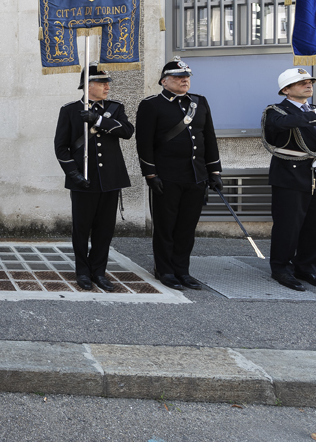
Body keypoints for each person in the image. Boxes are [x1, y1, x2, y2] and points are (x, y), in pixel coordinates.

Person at [135, 58, 221, 291]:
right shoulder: (152, 105)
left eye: (187, 77)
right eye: (178, 77)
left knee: (186, 227)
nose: (185, 80)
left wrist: (214, 170)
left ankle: (182, 270)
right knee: (166, 227)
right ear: (164, 81)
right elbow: (144, 143)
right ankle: (165, 270)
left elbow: (209, 138)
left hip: (196, 176)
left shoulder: (200, 103)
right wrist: (150, 175)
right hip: (167, 176)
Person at [262, 67, 316, 291]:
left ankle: (307, 267)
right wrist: (312, 116)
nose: (308, 85)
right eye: (301, 82)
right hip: (291, 176)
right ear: (286, 89)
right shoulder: (276, 111)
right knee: (288, 226)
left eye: (310, 81)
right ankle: (281, 268)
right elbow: (278, 127)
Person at [54, 67, 134, 291]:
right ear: (88, 85)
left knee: (105, 229)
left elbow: (127, 131)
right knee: (82, 228)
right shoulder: (70, 110)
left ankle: (98, 272)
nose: (108, 86)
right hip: (83, 179)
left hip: (109, 179)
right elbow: (61, 147)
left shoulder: (115, 108)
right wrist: (73, 173)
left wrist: (98, 120)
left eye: (108, 82)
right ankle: (82, 271)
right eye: (102, 83)